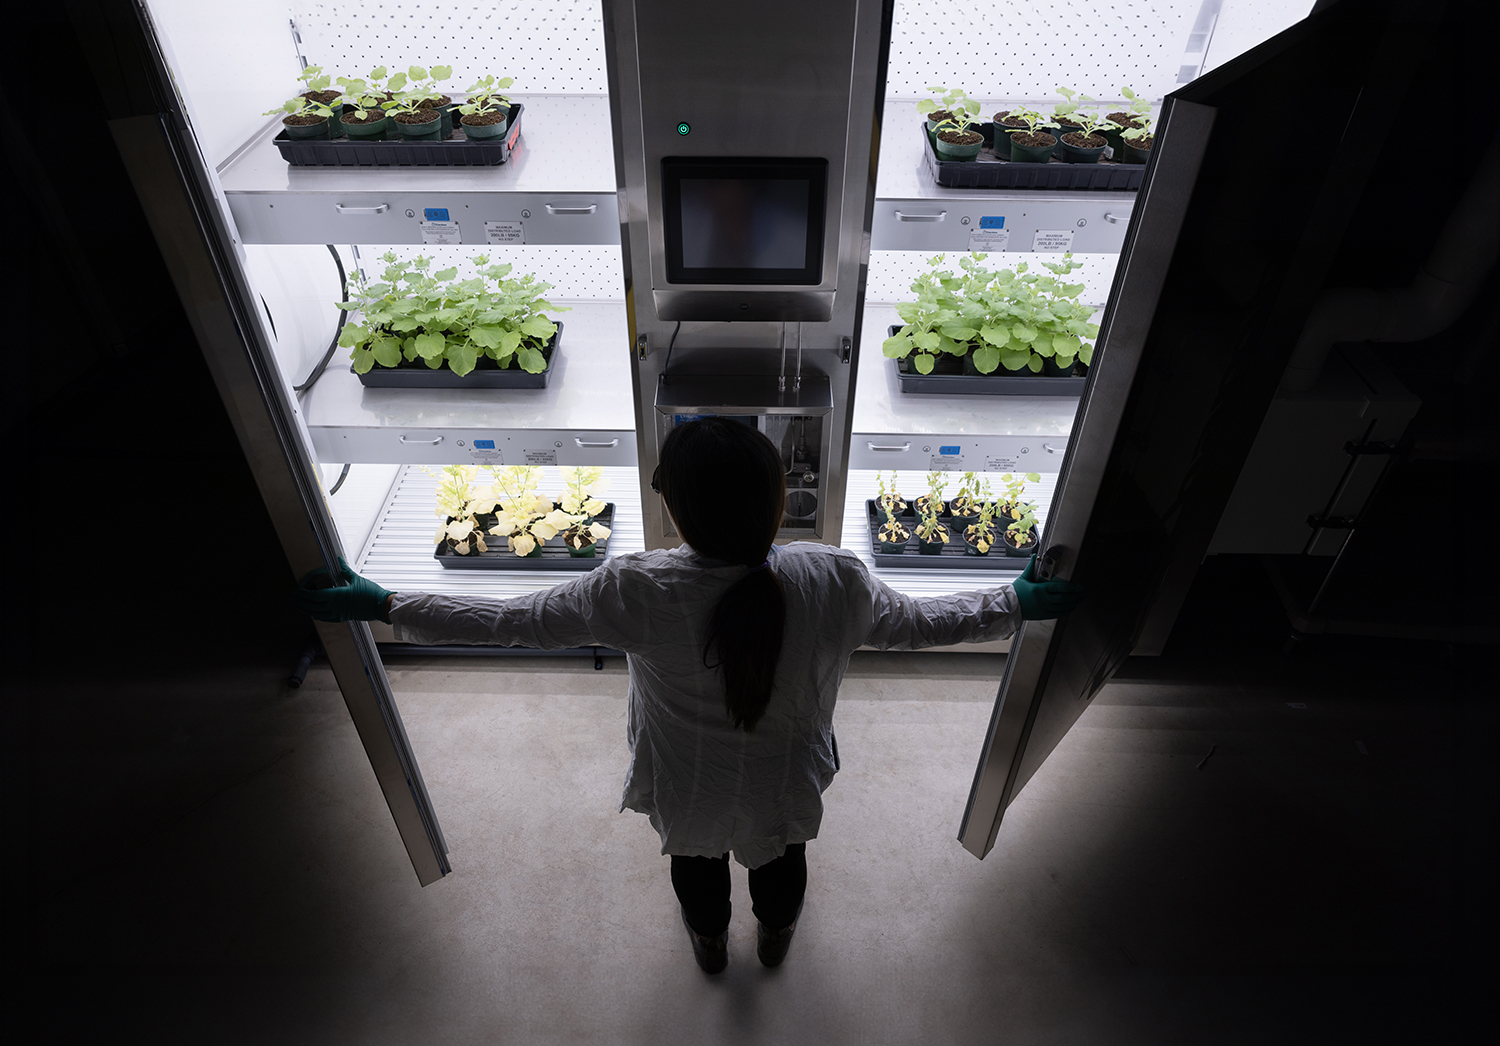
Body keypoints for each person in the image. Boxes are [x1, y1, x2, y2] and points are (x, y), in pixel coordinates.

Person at [298, 418, 1084, 974]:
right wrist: (1014, 602)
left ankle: (710, 946)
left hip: (686, 783)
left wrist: (386, 603)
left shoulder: (636, 588)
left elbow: (511, 622)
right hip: (787, 777)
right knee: (782, 860)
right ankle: (775, 935)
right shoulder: (834, 577)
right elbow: (922, 625)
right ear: (781, 501)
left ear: (673, 510)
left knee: (696, 865)